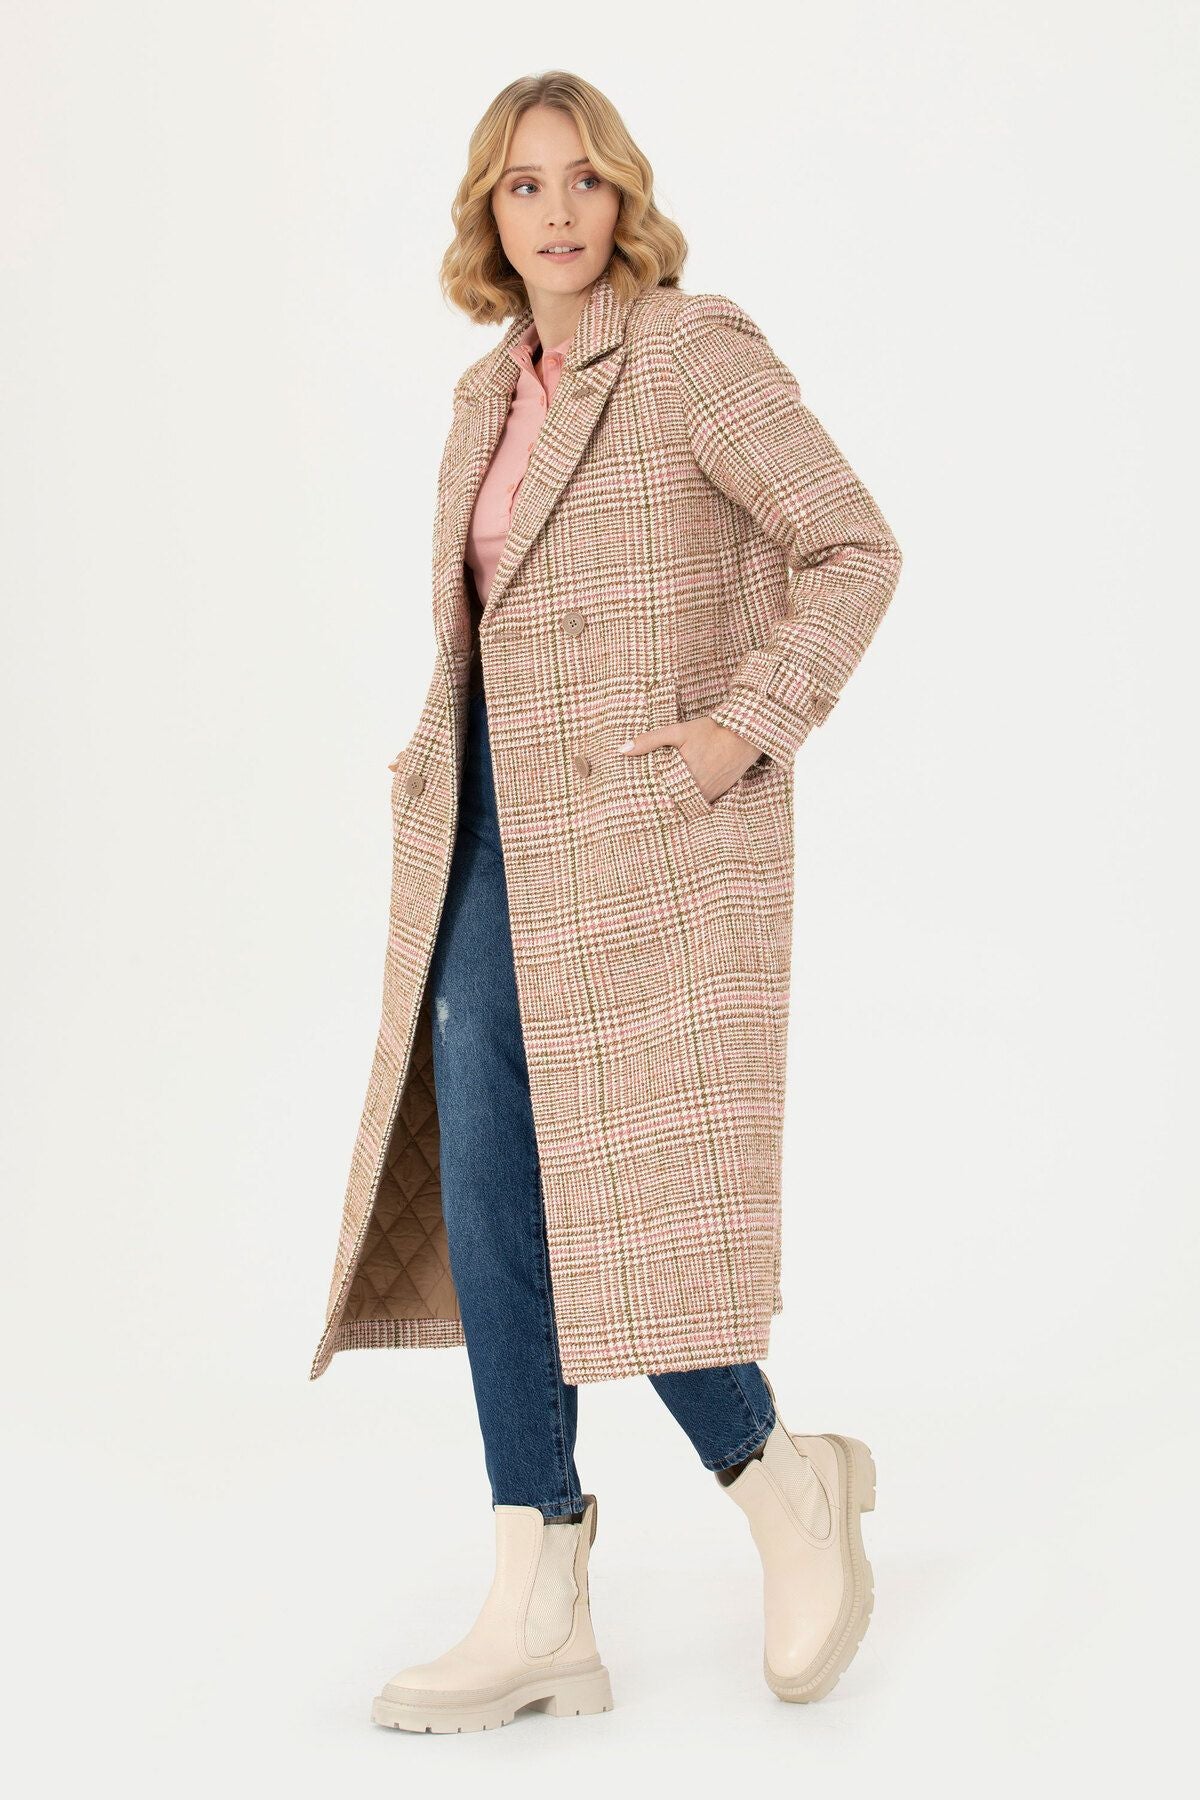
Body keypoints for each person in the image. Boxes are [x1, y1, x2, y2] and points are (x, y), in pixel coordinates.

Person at [312, 70, 901, 1733]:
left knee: (621, 1198)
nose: (557, 211)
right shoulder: (479, 396)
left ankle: (780, 1483)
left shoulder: (693, 351)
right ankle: (541, 1585)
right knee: (501, 1187)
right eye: (523, 187)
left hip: (645, 842)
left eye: (581, 179)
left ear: (624, 196)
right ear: (487, 218)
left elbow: (853, 548)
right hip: (489, 840)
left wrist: (740, 730)